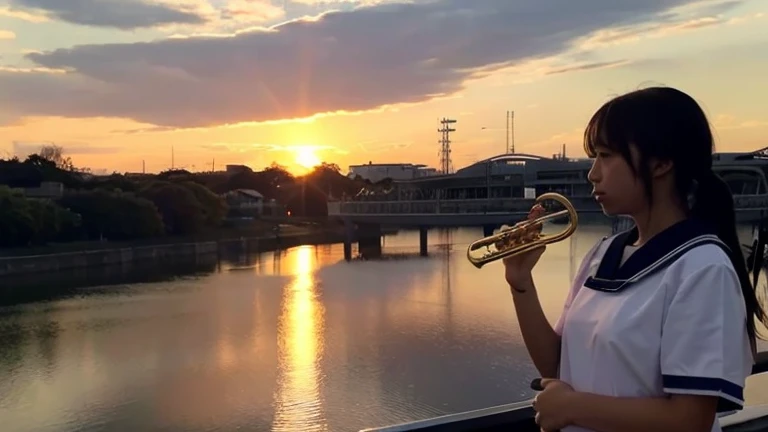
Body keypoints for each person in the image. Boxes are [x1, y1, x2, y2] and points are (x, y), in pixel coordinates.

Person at [503, 86, 767, 432]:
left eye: (606, 155)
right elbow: (557, 365)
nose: (592, 173)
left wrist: (572, 407)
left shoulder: (702, 268)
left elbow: (690, 420)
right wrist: (521, 283)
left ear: (661, 163)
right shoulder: (603, 254)